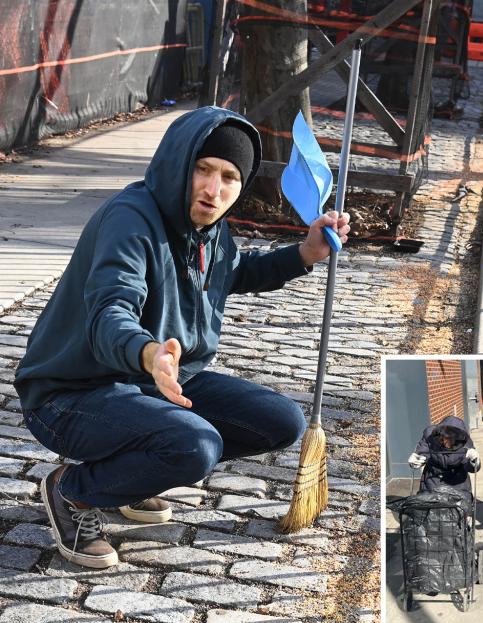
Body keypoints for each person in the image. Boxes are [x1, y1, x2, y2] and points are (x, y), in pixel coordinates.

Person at [14, 106, 351, 569]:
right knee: (195, 446)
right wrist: (150, 353)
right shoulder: (130, 221)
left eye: (230, 177)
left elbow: (235, 271)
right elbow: (110, 312)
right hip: (72, 392)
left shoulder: (210, 229)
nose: (214, 190)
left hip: (160, 380)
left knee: (280, 422)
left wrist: (304, 253)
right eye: (203, 169)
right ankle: (73, 492)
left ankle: (128, 479)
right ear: (179, 161)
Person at [407, 415, 480, 494]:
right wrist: (415, 461)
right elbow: (422, 453)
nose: (447, 442)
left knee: (460, 505)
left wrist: (474, 462)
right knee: (428, 504)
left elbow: (470, 467)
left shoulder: (465, 443)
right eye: (445, 438)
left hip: (458, 483)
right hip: (432, 481)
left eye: (452, 439)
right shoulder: (429, 436)